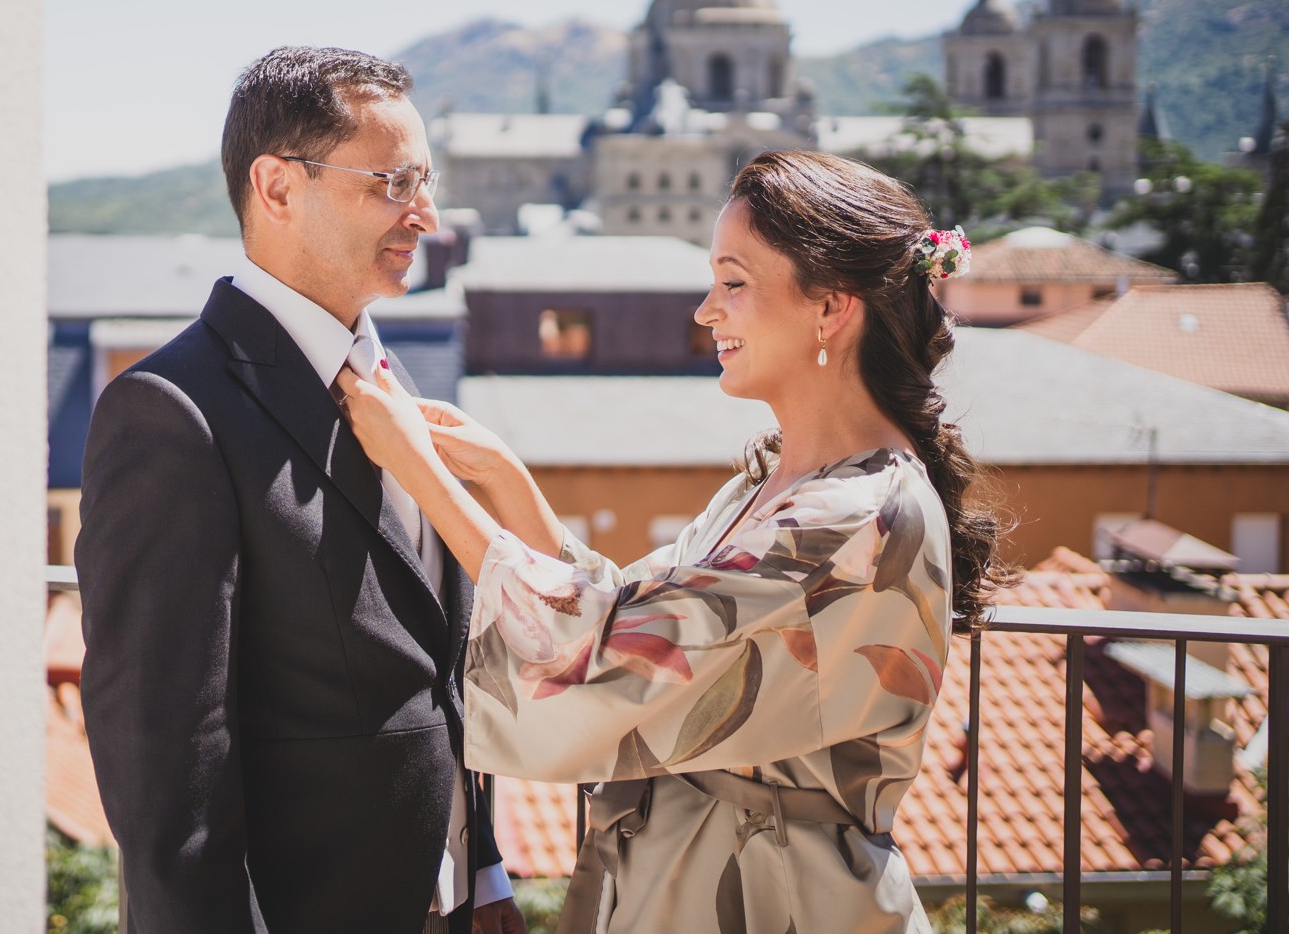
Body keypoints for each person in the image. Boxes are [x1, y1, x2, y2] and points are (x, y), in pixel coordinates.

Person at [341, 149, 1013, 933]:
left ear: (830, 308)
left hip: (773, 897)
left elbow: (609, 657)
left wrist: (419, 473)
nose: (706, 310)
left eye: (734, 282)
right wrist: (504, 478)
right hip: (702, 876)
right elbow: (632, 612)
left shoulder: (859, 519)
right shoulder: (775, 485)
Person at [77, 46, 523, 934]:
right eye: (393, 182)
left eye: (424, 181)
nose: (425, 215)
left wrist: (485, 875)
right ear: (277, 187)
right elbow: (166, 767)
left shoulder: (399, 391)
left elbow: (436, 673)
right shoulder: (170, 412)